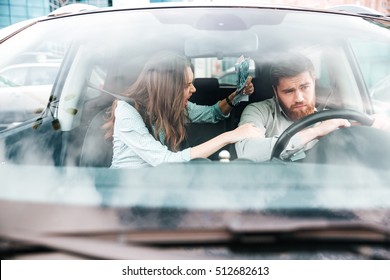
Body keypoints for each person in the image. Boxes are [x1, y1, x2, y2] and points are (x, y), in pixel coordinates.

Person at [104, 51, 261, 168]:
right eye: (186, 85)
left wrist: (236, 95)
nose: (194, 89)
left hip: (157, 188)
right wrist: (229, 136)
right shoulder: (127, 112)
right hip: (123, 193)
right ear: (167, 89)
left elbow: (213, 113)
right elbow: (165, 162)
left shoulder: (176, 108)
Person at [235, 52, 390, 162]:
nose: (299, 98)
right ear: (275, 91)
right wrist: (315, 132)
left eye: (305, 87)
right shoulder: (259, 112)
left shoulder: (333, 119)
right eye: (289, 91)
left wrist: (378, 127)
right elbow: (247, 152)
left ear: (314, 82)